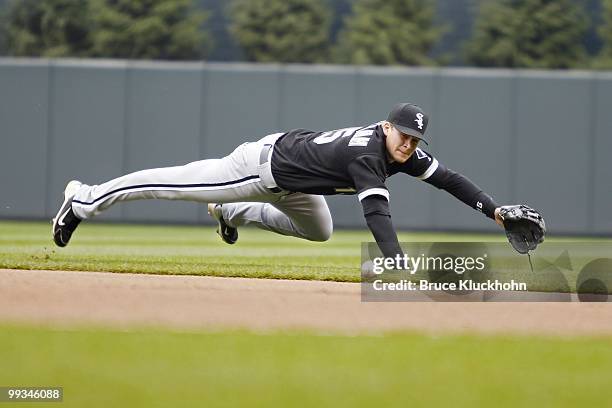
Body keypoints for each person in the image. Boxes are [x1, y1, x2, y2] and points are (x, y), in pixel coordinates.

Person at [52, 103, 544, 259]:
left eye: (416, 140)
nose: (410, 146)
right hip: (260, 165)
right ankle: (83, 199)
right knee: (172, 183)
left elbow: (449, 179)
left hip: (298, 183)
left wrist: (495, 210)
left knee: (320, 231)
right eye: (405, 135)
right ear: (387, 126)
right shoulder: (368, 153)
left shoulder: (398, 151)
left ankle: (232, 213)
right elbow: (376, 211)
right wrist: (393, 259)